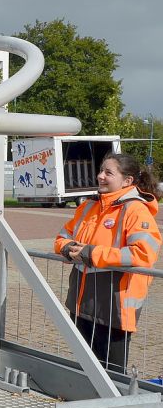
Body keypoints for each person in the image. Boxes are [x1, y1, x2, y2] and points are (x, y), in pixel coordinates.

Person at [54, 152, 161, 373]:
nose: (100, 176)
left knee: (111, 372)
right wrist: (67, 249)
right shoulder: (88, 207)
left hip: (114, 306)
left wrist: (91, 253)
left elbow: (143, 254)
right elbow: (61, 237)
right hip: (81, 301)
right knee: (86, 366)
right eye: (101, 170)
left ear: (127, 180)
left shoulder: (136, 210)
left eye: (108, 172)